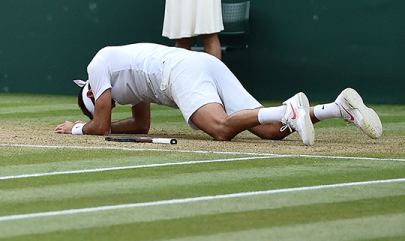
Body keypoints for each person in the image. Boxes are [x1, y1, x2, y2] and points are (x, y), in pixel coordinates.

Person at [55, 43, 384, 145]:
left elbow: (99, 126)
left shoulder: (97, 66)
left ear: (91, 92)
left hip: (180, 72)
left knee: (222, 129)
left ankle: (290, 111)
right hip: (202, 63)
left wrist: (76, 128)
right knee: (270, 132)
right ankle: (336, 108)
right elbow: (141, 127)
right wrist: (105, 124)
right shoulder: (126, 81)